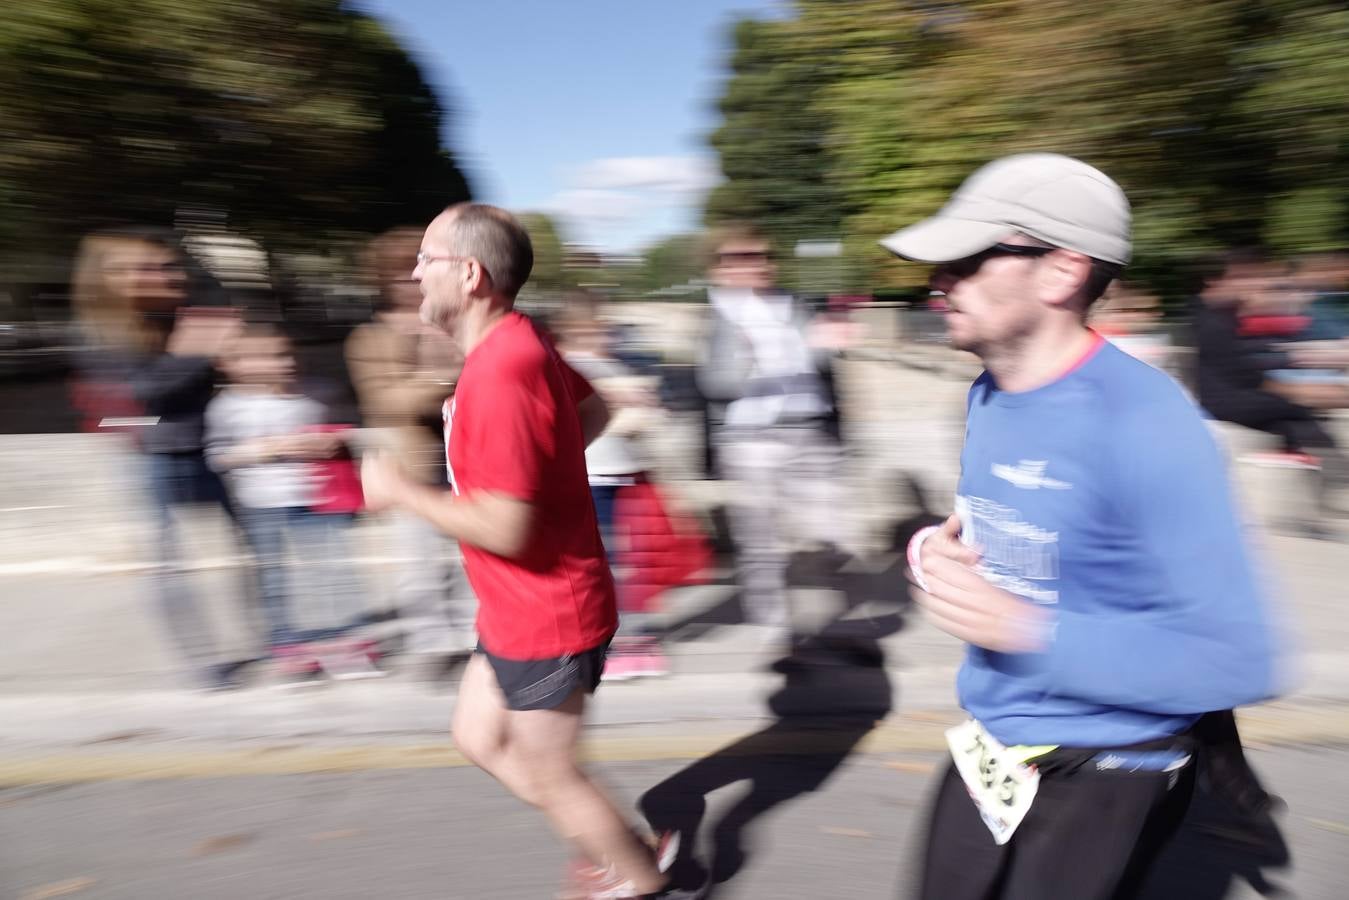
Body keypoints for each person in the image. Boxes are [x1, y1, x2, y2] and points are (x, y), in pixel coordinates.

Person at [880, 153, 1282, 898]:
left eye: (966, 260)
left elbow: (1238, 657)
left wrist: (1029, 631)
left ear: (1061, 273)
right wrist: (935, 551)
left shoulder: (1147, 422)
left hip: (1111, 764)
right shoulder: (987, 394)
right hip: (996, 740)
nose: (939, 280)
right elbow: (1000, 522)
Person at [359, 204, 700, 898]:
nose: (414, 271)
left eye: (426, 258)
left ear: (470, 274)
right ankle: (619, 843)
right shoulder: (516, 342)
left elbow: (507, 528)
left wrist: (399, 492)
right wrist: (541, 475)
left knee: (552, 773)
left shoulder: (501, 372)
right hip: (513, 609)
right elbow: (596, 407)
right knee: (477, 739)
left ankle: (643, 879)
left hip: (548, 616)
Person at [71, 228, 247, 691]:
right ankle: (201, 661)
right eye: (150, 267)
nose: (167, 275)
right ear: (111, 277)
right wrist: (195, 351)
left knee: (254, 546)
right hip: (151, 456)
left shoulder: (176, 315)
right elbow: (135, 397)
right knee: (170, 565)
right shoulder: (97, 331)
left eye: (169, 266)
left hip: (212, 447)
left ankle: (278, 638)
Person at [697, 223, 850, 644]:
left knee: (829, 531)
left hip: (810, 430)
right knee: (760, 535)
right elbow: (714, 384)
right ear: (719, 268)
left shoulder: (794, 305)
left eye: (760, 256)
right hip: (753, 438)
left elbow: (821, 362)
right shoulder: (719, 316)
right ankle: (771, 619)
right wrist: (755, 360)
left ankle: (825, 618)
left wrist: (828, 343)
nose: (754, 266)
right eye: (740, 258)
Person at [205, 324, 377, 683]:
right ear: (232, 364)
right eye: (266, 357)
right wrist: (272, 448)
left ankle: (345, 639)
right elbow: (218, 455)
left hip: (316, 497)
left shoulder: (314, 394)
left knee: (332, 571)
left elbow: (342, 433)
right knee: (274, 577)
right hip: (262, 504)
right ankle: (286, 643)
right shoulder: (227, 407)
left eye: (285, 354)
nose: (281, 363)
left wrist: (329, 443)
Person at [346, 227, 477, 664]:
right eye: (402, 272)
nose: (414, 279)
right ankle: (432, 643)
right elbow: (386, 401)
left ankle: (476, 635)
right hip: (410, 464)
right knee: (419, 562)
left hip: (468, 462)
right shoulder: (369, 338)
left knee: (471, 556)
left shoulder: (456, 323)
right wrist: (443, 374)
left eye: (422, 267)